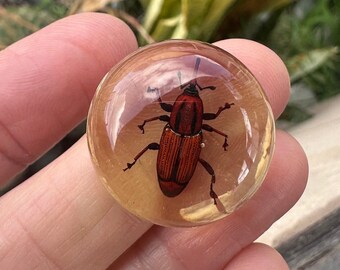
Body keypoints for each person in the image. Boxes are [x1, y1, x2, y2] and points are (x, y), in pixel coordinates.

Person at [0, 13, 308, 269]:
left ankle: (193, 184)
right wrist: (225, 134)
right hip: (177, 165)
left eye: (193, 95)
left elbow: (165, 122)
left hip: (177, 162)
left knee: (162, 150)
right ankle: (211, 191)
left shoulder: (173, 121)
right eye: (189, 94)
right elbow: (218, 129)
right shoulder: (197, 126)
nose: (190, 94)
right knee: (206, 167)